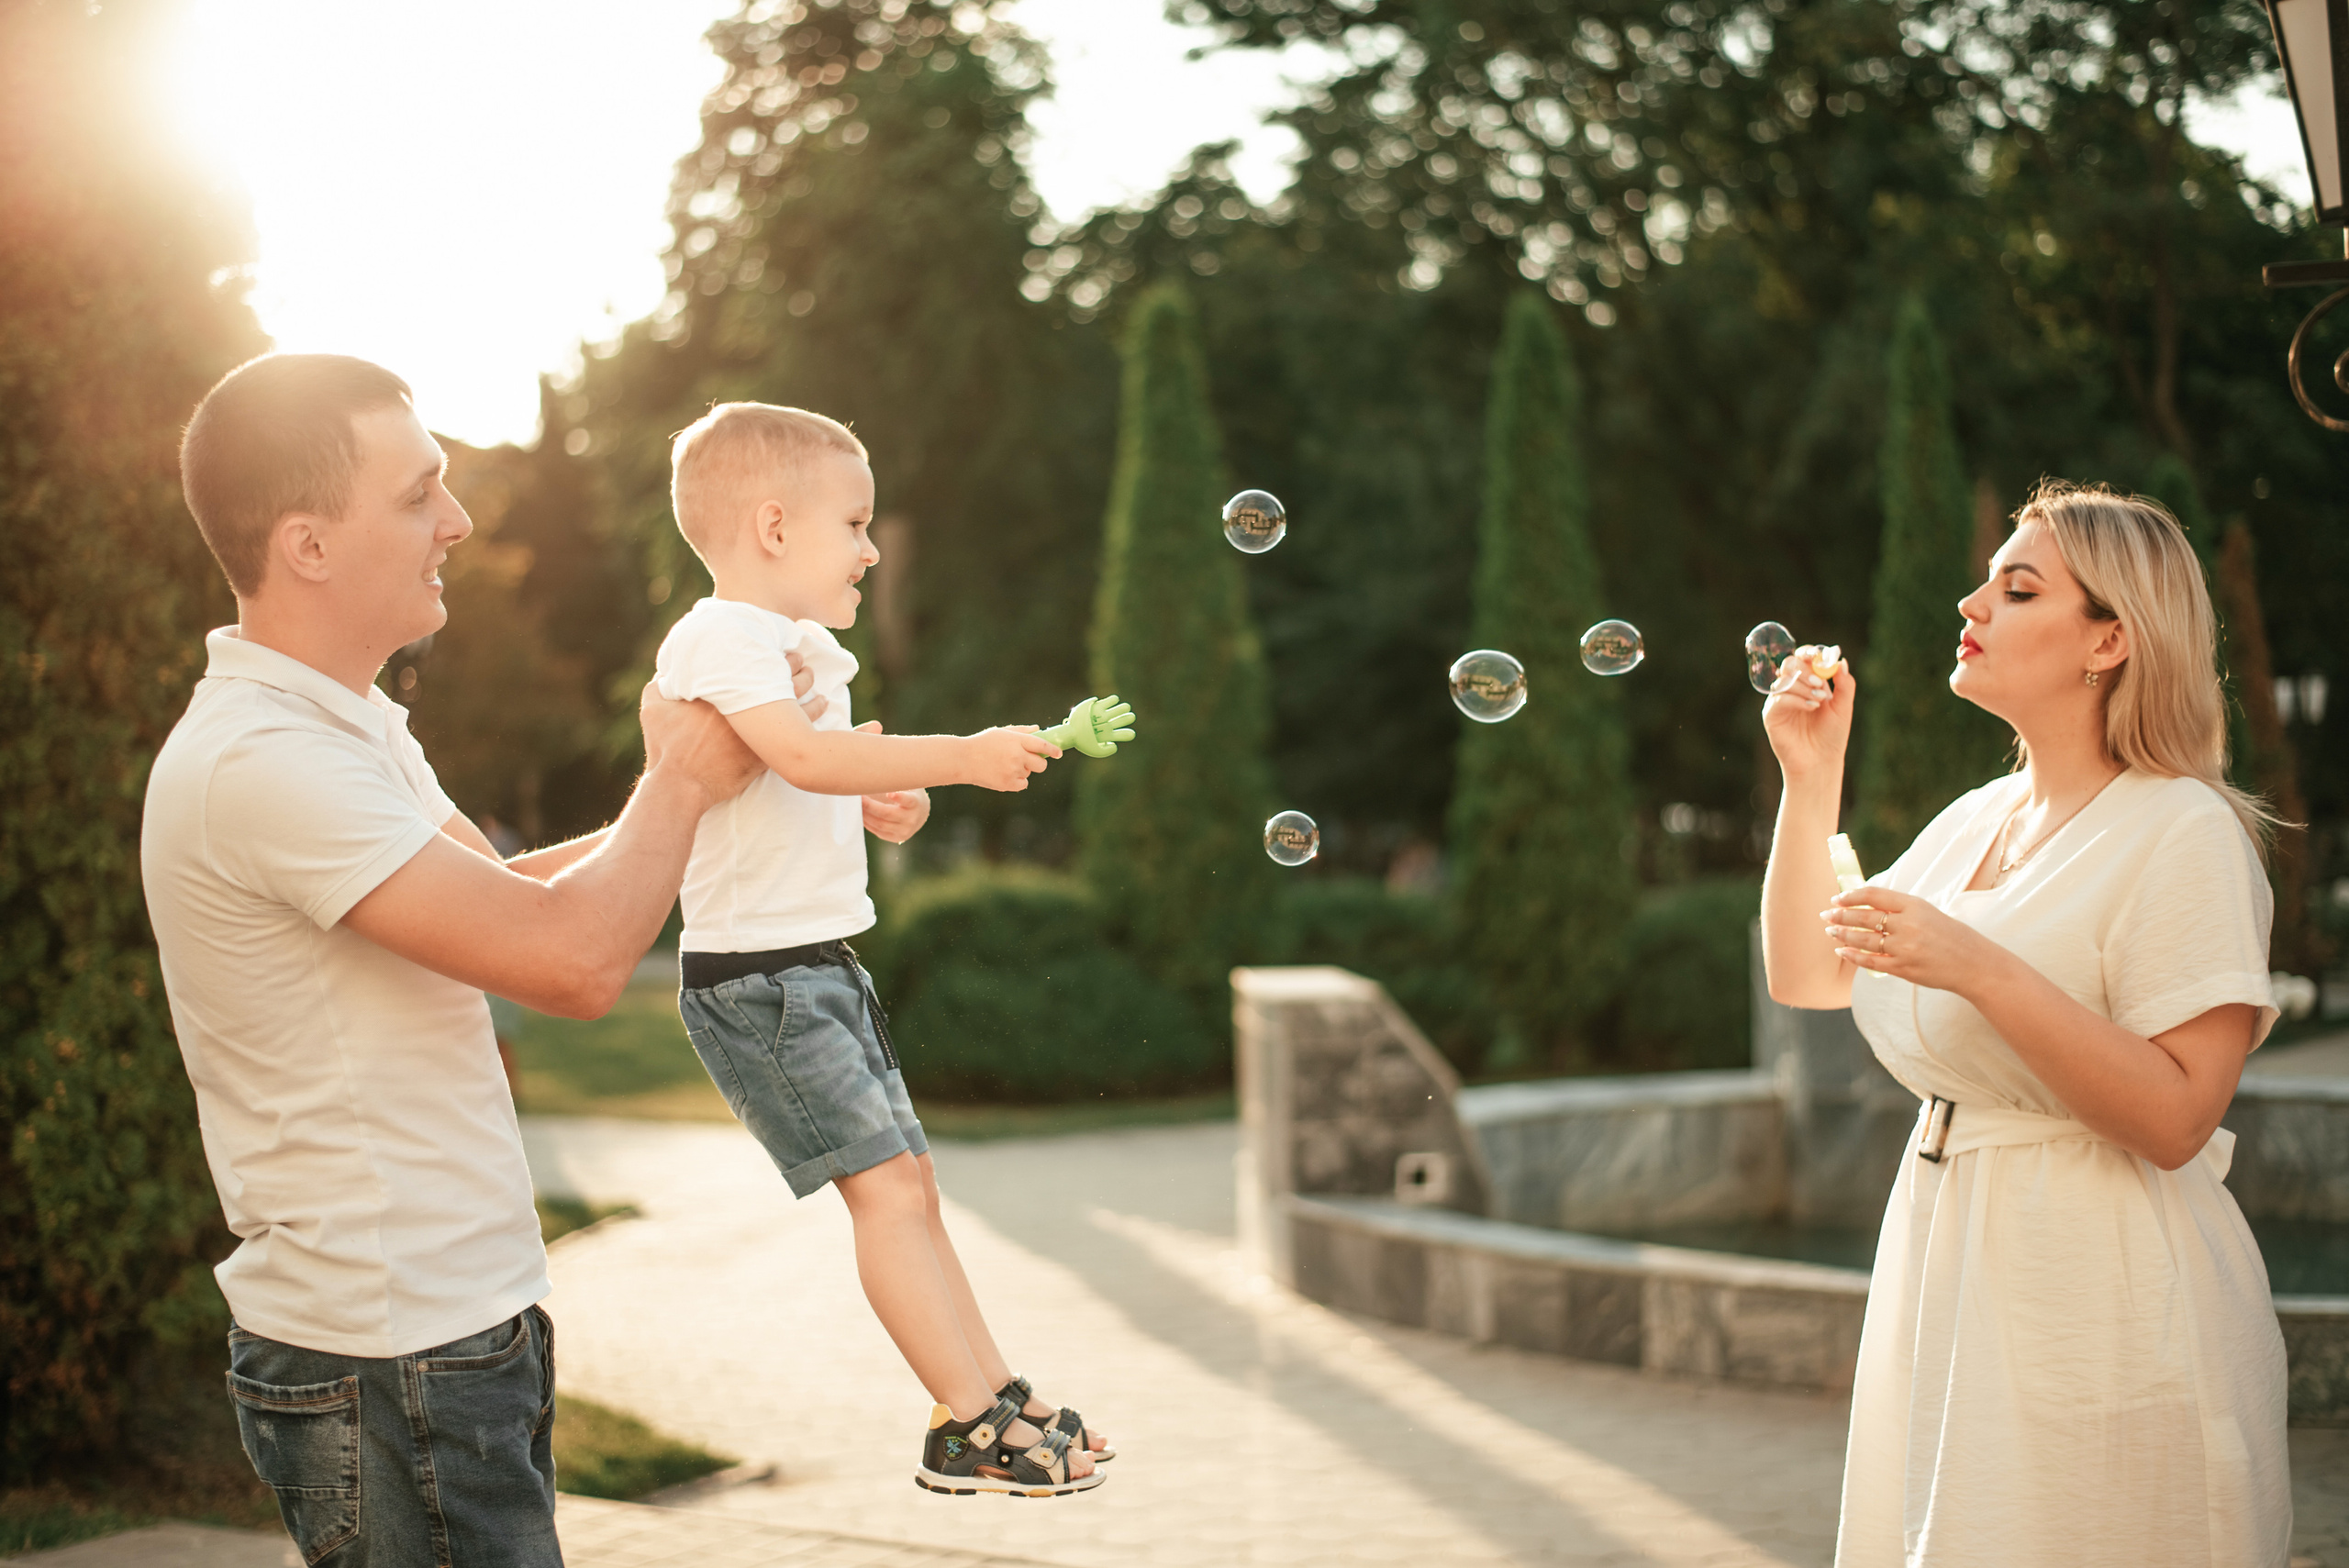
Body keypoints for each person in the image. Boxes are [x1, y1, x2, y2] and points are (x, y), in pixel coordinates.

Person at [142, 353, 841, 1566]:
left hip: (446, 1335)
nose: (457, 521)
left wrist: (731, 780)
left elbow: (513, 903)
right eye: (419, 494)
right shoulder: (264, 759)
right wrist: (681, 778)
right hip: (392, 1353)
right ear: (309, 545)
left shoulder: (345, 724)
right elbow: (570, 961)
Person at [1759, 479, 2291, 1566]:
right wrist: (1809, 777)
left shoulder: (2182, 828)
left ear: (2108, 639)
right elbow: (1808, 973)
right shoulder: (1975, 819)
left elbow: (2180, 1115)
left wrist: (1976, 966)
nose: (1972, 602)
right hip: (1950, 1261)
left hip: (2100, 1283)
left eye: (2017, 587)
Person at [649, 401, 1119, 1496]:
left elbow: (800, 773)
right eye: (855, 523)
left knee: (914, 1184)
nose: (870, 549)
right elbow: (805, 758)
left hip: (817, 962)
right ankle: (964, 1424)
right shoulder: (720, 636)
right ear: (773, 526)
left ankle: (996, 1393)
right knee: (889, 1198)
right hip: (757, 977)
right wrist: (961, 755)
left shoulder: (803, 649)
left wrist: (873, 800)